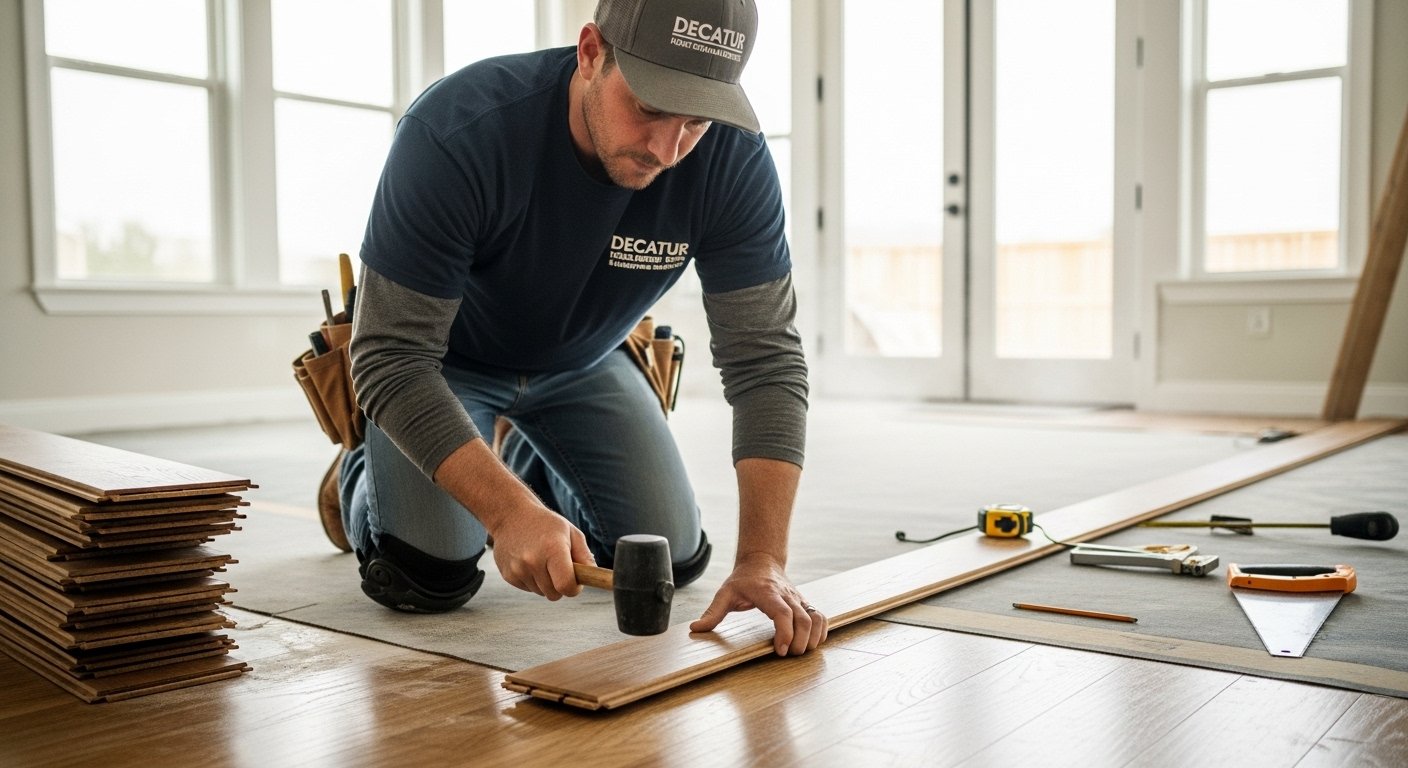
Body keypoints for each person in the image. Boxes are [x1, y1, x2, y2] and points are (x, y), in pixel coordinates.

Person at [322, 0, 826, 657]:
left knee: (666, 557)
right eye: (648, 107)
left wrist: (765, 558)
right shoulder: (457, 130)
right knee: (429, 573)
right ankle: (360, 474)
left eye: (695, 121)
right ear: (591, 52)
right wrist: (507, 514)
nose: (666, 150)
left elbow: (767, 364)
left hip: (586, 358)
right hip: (445, 364)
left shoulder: (733, 160)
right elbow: (391, 358)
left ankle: (524, 459)